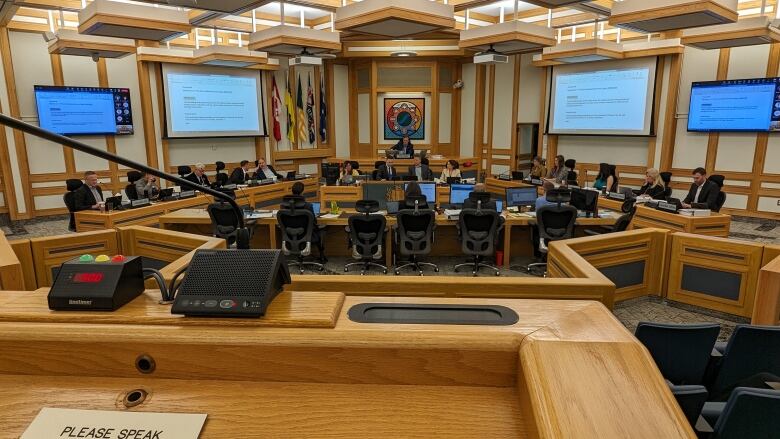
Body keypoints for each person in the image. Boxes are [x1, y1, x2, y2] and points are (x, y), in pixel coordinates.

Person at [284, 181, 325, 263]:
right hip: (307, 234)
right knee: (323, 229)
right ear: (303, 192)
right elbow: (314, 221)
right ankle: (322, 256)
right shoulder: (308, 206)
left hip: (290, 234)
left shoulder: (285, 205)